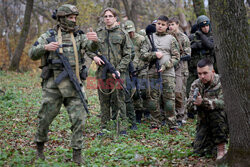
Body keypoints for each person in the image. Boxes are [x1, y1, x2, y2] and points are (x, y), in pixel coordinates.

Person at [28, 4, 99, 164]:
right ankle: (39, 146)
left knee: (79, 119)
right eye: (70, 17)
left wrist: (95, 41)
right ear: (61, 18)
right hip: (53, 84)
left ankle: (77, 154)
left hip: (74, 84)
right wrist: (45, 47)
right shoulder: (49, 35)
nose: (73, 20)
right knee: (45, 117)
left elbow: (90, 48)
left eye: (75, 17)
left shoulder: (79, 36)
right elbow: (31, 53)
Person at [88, 8, 132, 135]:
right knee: (104, 101)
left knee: (120, 101)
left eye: (110, 16)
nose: (107, 18)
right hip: (102, 73)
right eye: (105, 16)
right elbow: (89, 49)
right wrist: (94, 57)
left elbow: (128, 55)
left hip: (118, 73)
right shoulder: (98, 33)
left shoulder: (122, 34)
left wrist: (119, 69)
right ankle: (104, 127)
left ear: (115, 18)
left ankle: (123, 128)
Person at [187, 58, 228, 160]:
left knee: (215, 113)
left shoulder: (221, 82)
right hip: (204, 121)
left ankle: (221, 148)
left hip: (221, 120)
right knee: (198, 151)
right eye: (199, 73)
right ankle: (211, 143)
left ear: (212, 72)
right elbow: (188, 108)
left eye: (205, 73)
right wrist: (195, 104)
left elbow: (224, 103)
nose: (202, 76)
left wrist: (204, 102)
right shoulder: (196, 84)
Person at [143, 15, 180, 130]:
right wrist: (154, 55)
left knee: (169, 100)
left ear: (167, 26)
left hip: (167, 74)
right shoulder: (149, 38)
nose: (160, 26)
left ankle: (172, 124)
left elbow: (176, 57)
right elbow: (142, 54)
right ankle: (156, 123)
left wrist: (165, 66)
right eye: (158, 24)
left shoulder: (171, 39)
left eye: (163, 24)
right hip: (152, 72)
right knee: (152, 99)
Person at [124, 20, 151, 125]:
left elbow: (145, 54)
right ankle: (138, 114)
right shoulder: (124, 40)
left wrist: (139, 66)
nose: (131, 34)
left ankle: (147, 110)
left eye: (132, 31)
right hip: (130, 70)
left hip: (141, 69)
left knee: (144, 91)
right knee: (134, 93)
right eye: (128, 32)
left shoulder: (141, 39)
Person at [168, 17, 191, 126]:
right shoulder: (168, 37)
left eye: (172, 24)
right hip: (170, 68)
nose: (170, 26)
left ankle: (182, 116)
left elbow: (187, 55)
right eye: (169, 24)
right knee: (171, 92)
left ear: (177, 24)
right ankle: (174, 115)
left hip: (181, 68)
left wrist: (176, 58)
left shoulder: (183, 38)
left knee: (180, 93)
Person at [187, 15, 215, 96]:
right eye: (203, 27)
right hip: (194, 70)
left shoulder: (212, 35)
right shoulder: (193, 37)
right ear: (199, 27)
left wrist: (202, 36)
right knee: (190, 91)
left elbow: (210, 45)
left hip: (208, 69)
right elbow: (186, 49)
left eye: (207, 26)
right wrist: (194, 46)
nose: (206, 28)